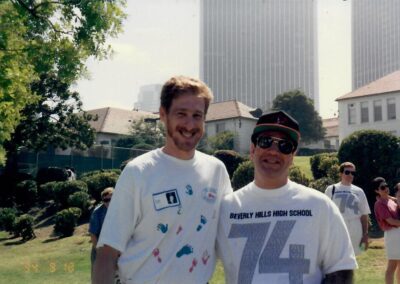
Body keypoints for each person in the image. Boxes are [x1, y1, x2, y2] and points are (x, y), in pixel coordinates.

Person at [93, 76, 232, 284]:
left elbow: (230, 237)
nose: (190, 124)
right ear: (163, 115)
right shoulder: (138, 172)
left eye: (197, 115)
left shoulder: (217, 171)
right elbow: (107, 254)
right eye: (181, 114)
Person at [217, 110, 357, 284]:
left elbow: (341, 269)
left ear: (292, 155)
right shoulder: (227, 208)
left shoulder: (320, 206)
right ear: (253, 148)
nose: (274, 151)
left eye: (285, 146)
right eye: (266, 142)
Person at [325, 162, 371, 255]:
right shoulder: (331, 189)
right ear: (341, 173)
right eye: (347, 172)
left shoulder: (359, 191)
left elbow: (364, 214)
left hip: (355, 228)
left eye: (353, 173)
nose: (350, 175)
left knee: (352, 257)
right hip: (337, 227)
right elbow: (325, 212)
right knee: (336, 256)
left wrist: (365, 235)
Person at [373, 177, 400, 284]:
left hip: (398, 233)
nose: (386, 188)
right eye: (382, 187)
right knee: (392, 266)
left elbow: (397, 198)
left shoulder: (390, 200)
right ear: (376, 191)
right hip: (392, 235)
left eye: (386, 186)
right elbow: (391, 221)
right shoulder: (379, 204)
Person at [89, 187, 114, 280]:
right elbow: (93, 234)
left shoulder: (121, 209)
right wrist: (100, 252)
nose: (108, 202)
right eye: (106, 200)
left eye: (111, 199)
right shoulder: (97, 213)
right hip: (101, 249)